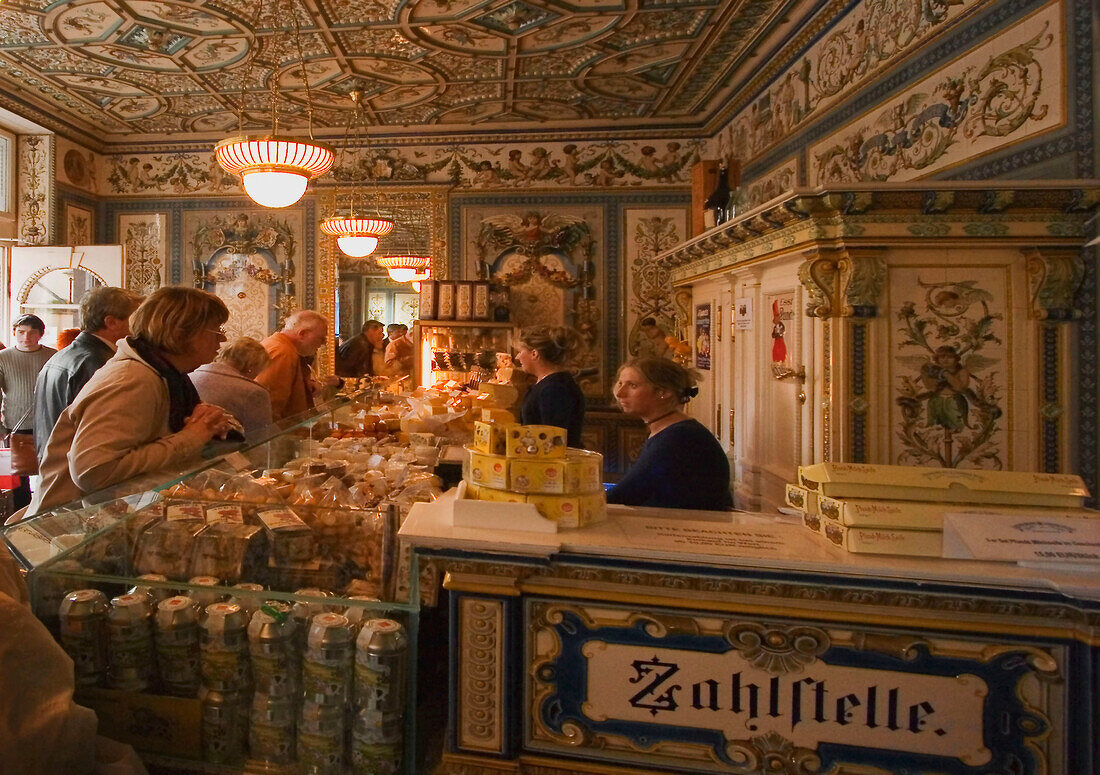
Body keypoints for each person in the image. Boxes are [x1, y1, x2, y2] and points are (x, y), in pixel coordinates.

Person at [29, 287, 236, 516]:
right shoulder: (135, 378)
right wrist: (190, 438)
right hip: (84, 524)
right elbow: (92, 471)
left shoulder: (164, 374)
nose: (223, 338)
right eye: (215, 330)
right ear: (180, 333)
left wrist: (206, 423)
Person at [607, 357, 732, 511]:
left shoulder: (680, 438)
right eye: (620, 383)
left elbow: (624, 495)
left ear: (663, 392)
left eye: (633, 386)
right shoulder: (672, 430)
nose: (620, 393)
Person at [34, 286, 144, 458]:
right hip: (77, 474)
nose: (140, 326)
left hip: (54, 466)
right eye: (136, 319)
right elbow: (101, 433)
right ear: (111, 323)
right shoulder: (100, 362)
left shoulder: (60, 356)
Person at [0, 314, 57, 508]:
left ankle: (43, 512)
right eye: (21, 332)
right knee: (19, 478)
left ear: (40, 334)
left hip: (49, 423)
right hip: (15, 426)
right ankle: (21, 518)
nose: (26, 337)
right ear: (15, 332)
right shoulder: (3, 358)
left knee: (49, 472)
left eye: (32, 333)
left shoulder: (53, 356)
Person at [189, 336, 274, 440]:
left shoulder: (191, 375)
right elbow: (262, 438)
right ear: (252, 367)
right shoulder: (255, 392)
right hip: (229, 451)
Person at [514, 326, 585, 448]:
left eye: (520, 351)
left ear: (534, 354)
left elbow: (552, 440)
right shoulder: (549, 384)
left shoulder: (554, 388)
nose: (517, 357)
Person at [256, 310, 331, 421]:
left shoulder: (280, 345)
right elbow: (271, 403)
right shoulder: (283, 352)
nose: (324, 343)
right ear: (302, 334)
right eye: (321, 338)